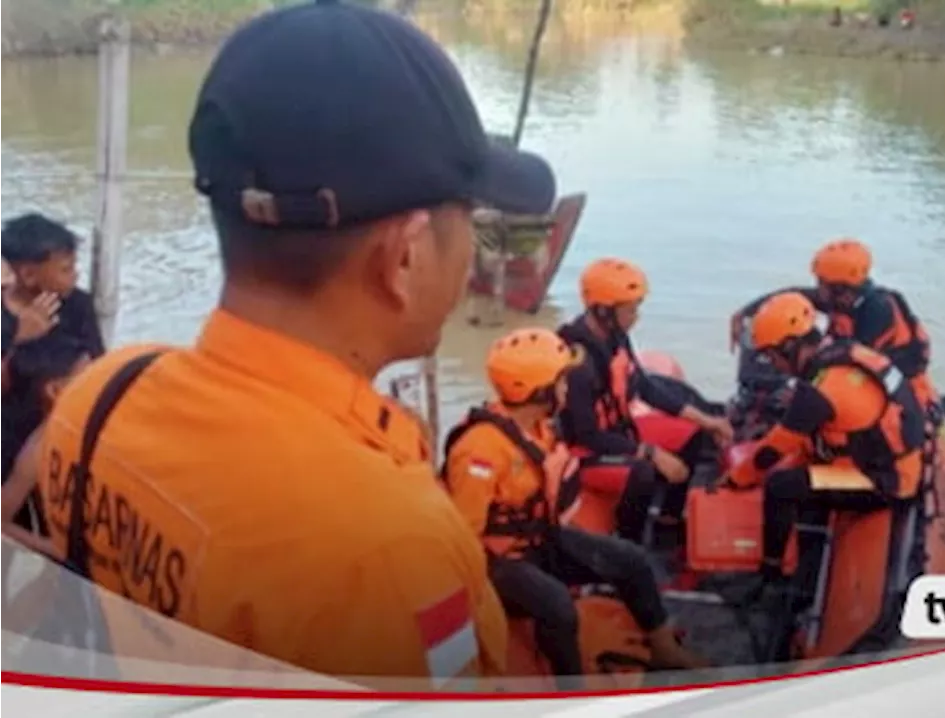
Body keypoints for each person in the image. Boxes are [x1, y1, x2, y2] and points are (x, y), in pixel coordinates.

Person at [33, 0, 558, 685]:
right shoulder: (386, 552)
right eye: (472, 222)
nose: (471, 254)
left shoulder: (104, 393)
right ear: (403, 259)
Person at [443, 328, 710, 689]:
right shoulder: (480, 452)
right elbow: (463, 540)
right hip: (496, 562)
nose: (568, 389)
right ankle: (571, 690)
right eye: (562, 382)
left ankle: (664, 648)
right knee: (557, 607)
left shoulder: (537, 428)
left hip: (538, 540)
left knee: (629, 559)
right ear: (540, 392)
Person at [726, 292, 928, 588]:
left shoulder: (820, 390)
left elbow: (772, 450)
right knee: (800, 470)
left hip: (884, 481)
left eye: (772, 357)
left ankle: (770, 571)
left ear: (790, 346)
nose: (775, 366)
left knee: (778, 486)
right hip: (890, 460)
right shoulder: (843, 352)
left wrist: (734, 480)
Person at [556, 258, 732, 544]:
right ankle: (630, 546)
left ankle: (667, 519)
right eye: (630, 309)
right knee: (642, 473)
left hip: (619, 431)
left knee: (692, 434)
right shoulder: (577, 363)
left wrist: (707, 420)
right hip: (585, 451)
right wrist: (650, 452)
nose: (636, 317)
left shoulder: (616, 338)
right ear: (603, 310)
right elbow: (586, 435)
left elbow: (646, 388)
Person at [729, 238, 939, 416]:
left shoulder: (877, 311)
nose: (817, 287)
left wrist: (802, 392)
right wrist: (745, 312)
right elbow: (793, 295)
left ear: (841, 289)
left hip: (894, 384)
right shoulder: (843, 298)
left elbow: (855, 363)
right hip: (859, 369)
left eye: (821, 282)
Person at [0, 334, 91, 557]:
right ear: (54, 390)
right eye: (86, 378)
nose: (97, 382)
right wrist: (52, 549)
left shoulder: (91, 423)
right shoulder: (38, 448)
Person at [0, 213, 107, 359]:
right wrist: (20, 336)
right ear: (28, 276)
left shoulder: (78, 304)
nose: (75, 275)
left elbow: (98, 363)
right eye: (66, 269)